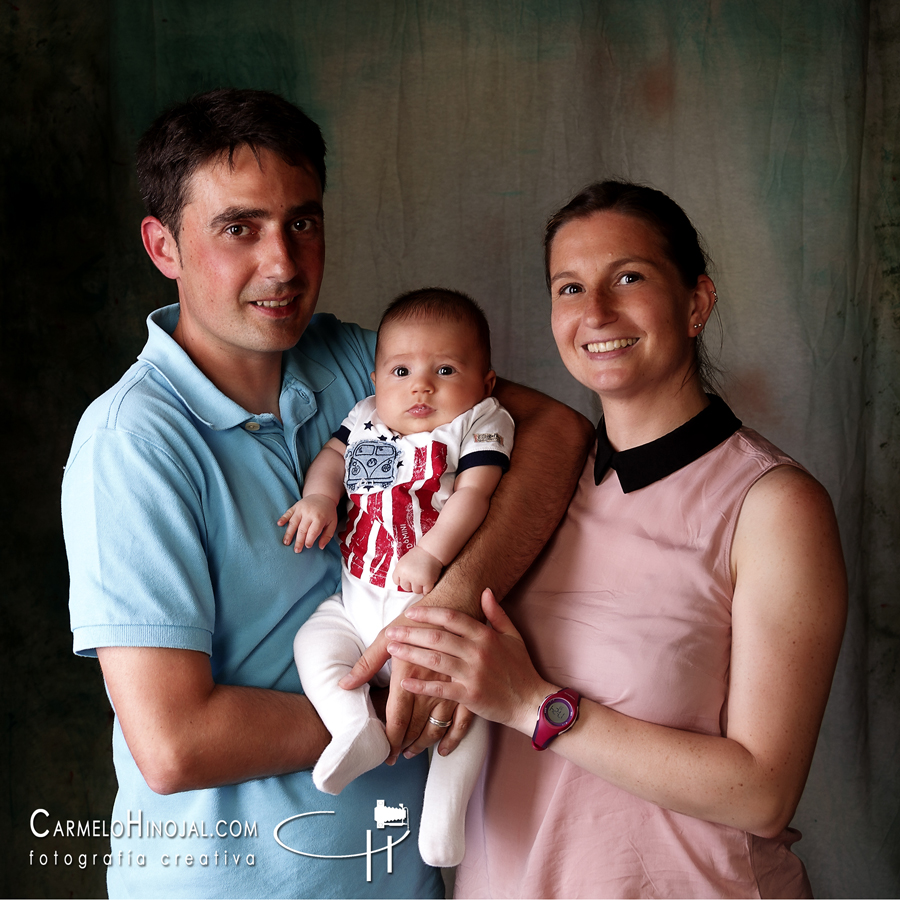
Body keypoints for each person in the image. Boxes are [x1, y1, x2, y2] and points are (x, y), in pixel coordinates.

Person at [61, 88, 593, 899]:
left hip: (398, 877)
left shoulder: (359, 363)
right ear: (163, 245)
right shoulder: (130, 444)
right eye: (239, 228)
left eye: (301, 222)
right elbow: (176, 743)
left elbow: (554, 433)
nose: (283, 264)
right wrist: (390, 697)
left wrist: (443, 608)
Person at [385, 181, 848, 898]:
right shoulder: (532, 487)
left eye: (628, 277)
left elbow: (764, 791)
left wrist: (532, 705)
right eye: (569, 288)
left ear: (696, 302)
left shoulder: (771, 506)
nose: (595, 312)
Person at [284, 287, 514, 868]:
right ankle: (353, 727)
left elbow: (476, 493)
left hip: (425, 598)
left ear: (485, 382)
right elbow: (333, 460)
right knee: (313, 642)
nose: (421, 386)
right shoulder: (365, 416)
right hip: (355, 598)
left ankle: (443, 814)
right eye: (402, 371)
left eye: (445, 369)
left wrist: (433, 551)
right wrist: (319, 497)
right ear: (377, 377)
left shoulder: (481, 422)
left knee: (466, 695)